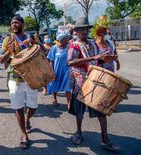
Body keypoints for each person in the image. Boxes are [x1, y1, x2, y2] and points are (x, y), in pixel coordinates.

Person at [67, 17, 120, 151]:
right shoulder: (74, 45)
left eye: (86, 29)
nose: (85, 31)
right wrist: (92, 58)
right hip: (80, 82)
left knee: (101, 111)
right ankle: (78, 133)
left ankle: (105, 140)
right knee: (79, 111)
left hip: (95, 81)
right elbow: (70, 62)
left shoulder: (93, 44)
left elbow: (97, 61)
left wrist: (105, 60)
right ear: (76, 32)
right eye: (81, 29)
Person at [0, 16, 39, 149]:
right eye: (12, 23)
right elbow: (0, 59)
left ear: (22, 24)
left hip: (32, 77)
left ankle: (28, 119)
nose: (13, 25)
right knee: (18, 107)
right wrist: (8, 52)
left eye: (16, 22)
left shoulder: (31, 37)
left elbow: (43, 52)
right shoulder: (7, 40)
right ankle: (24, 134)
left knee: (33, 106)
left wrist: (35, 44)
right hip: (14, 78)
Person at [47, 30, 71, 107]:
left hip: (67, 70)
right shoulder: (54, 48)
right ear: (60, 39)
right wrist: (52, 72)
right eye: (66, 39)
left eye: (68, 39)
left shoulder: (69, 47)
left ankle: (69, 103)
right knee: (54, 84)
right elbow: (51, 61)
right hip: (56, 69)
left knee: (68, 87)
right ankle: (54, 99)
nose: (67, 41)